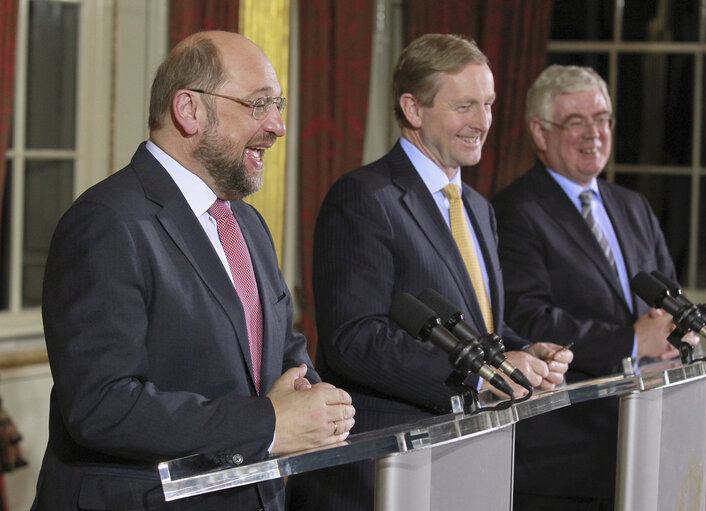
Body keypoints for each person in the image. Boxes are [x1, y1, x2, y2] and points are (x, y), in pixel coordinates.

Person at [31, 31, 355, 511]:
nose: (279, 126)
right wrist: (267, 423)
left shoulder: (246, 221)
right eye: (259, 104)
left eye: (278, 104)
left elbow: (281, 350)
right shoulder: (106, 222)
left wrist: (314, 398)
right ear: (190, 110)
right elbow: (102, 405)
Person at [285, 33, 572, 511]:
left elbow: (479, 329)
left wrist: (521, 348)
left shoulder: (479, 208)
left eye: (489, 104)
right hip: (384, 470)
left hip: (467, 460)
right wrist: (483, 374)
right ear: (414, 110)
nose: (483, 122)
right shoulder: (363, 198)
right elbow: (355, 339)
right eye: (465, 106)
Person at [491, 64, 699, 510]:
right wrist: (631, 340)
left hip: (648, 437)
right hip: (566, 457)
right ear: (540, 133)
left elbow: (668, 299)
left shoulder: (633, 206)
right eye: (576, 121)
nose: (595, 133)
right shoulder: (514, 212)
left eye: (602, 119)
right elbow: (527, 320)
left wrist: (681, 328)